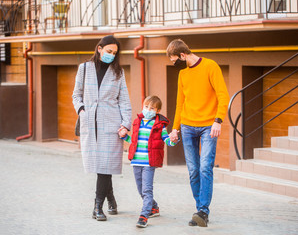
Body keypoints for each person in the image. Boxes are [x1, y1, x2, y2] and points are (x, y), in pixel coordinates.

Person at [166, 39, 230, 227]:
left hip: (208, 126)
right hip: (187, 127)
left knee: (204, 168)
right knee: (193, 171)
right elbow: (180, 103)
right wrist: (175, 128)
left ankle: (203, 210)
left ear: (183, 55)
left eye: (174, 60)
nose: (174, 64)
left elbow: (222, 95)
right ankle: (200, 210)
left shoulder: (210, 66)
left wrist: (218, 120)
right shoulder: (183, 74)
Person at [72, 35, 131, 221]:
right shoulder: (84, 69)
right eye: (108, 51)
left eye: (114, 53)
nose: (111, 55)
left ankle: (97, 206)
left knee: (105, 165)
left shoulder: (118, 72)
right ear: (99, 49)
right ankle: (111, 198)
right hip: (90, 122)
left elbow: (124, 101)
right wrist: (82, 110)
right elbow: (76, 95)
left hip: (111, 124)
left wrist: (125, 124)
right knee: (101, 166)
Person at [118, 95, 177, 228]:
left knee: (147, 190)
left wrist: (173, 140)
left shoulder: (159, 125)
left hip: (149, 162)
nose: (148, 110)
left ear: (157, 111)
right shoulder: (137, 122)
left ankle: (144, 216)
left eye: (152, 108)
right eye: (146, 107)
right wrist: (124, 136)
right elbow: (133, 141)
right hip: (136, 161)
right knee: (140, 189)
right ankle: (154, 207)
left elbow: (166, 140)